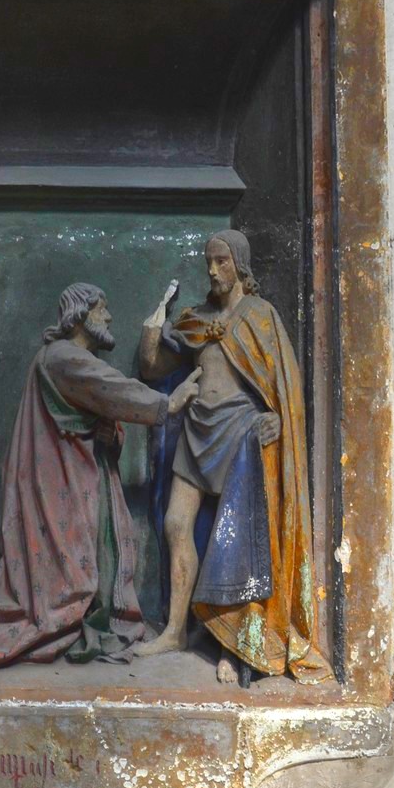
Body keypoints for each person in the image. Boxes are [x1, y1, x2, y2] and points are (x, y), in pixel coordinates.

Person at [0, 283, 199, 669]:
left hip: (77, 476)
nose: (109, 318)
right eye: (102, 309)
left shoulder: (66, 358)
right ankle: (60, 618)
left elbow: (92, 411)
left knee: (88, 560)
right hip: (59, 482)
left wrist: (109, 431)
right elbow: (110, 389)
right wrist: (167, 403)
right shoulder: (63, 356)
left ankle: (91, 614)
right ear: (81, 313)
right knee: (69, 573)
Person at [134, 230, 333, 685]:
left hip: (240, 435)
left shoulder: (261, 317)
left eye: (221, 261)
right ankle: (174, 631)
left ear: (239, 265)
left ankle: (234, 644)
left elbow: (286, 386)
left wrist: (278, 421)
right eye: (208, 261)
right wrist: (154, 322)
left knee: (236, 545)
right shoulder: (197, 320)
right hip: (197, 430)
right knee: (176, 524)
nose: (212, 270)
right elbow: (152, 368)